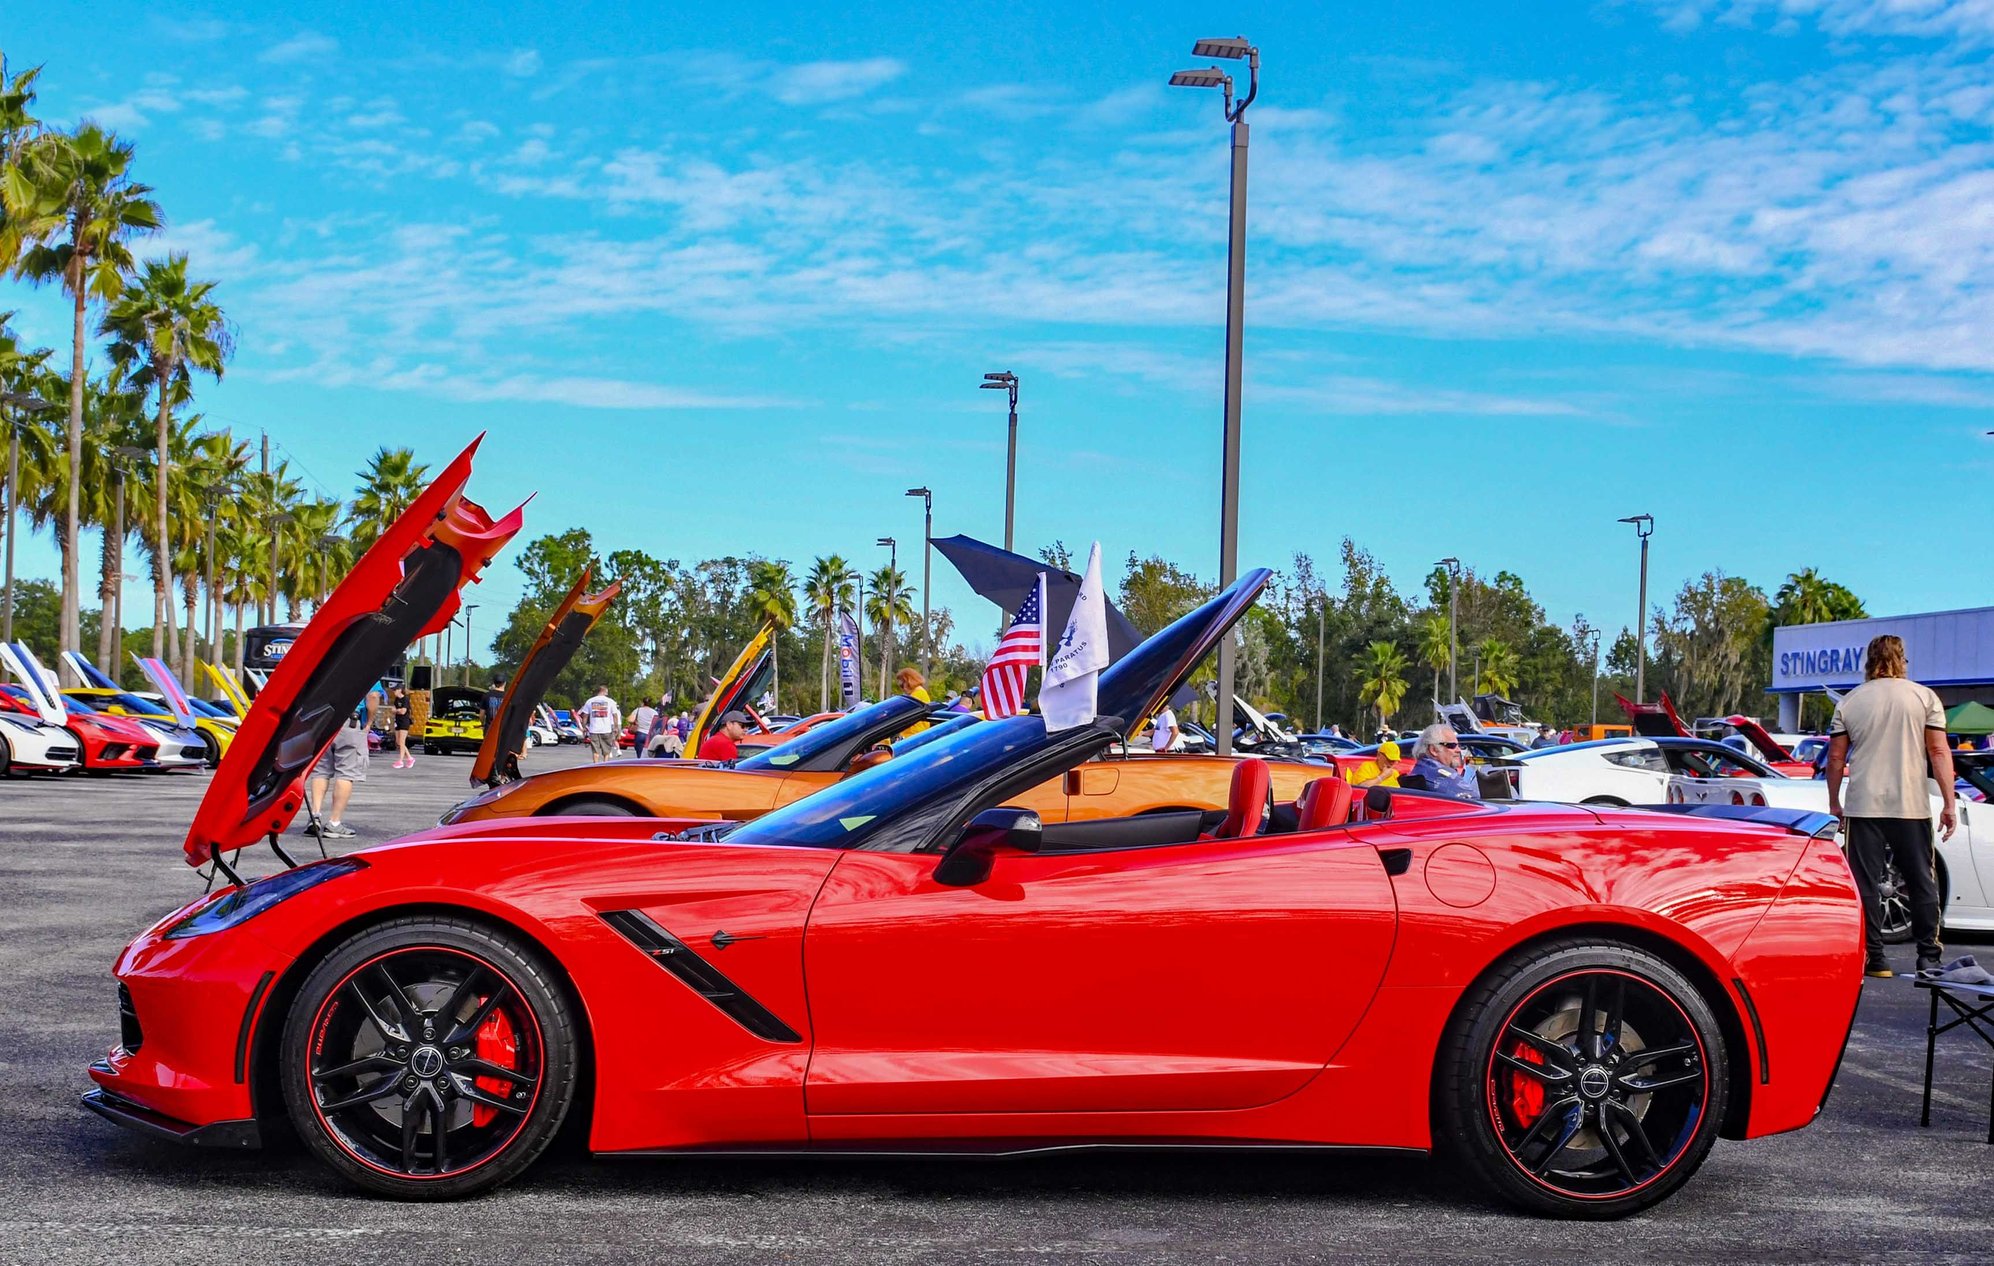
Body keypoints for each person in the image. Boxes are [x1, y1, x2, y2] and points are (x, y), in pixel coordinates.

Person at [1825, 634, 1955, 979]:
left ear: (1869, 661)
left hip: (1863, 804)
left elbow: (1836, 758)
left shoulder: (1850, 702)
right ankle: (1928, 957)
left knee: (1865, 883)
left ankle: (1875, 958)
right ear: (1902, 659)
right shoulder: (1924, 697)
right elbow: (1938, 752)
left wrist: (1834, 802)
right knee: (1921, 880)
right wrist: (1949, 802)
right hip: (1910, 804)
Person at [304, 703, 370, 839]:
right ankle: (334, 823)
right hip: (349, 721)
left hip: (322, 719)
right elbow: (373, 696)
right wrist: (369, 722)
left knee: (320, 770)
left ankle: (315, 815)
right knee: (346, 773)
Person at [1409, 723, 1482, 800]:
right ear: (1434, 750)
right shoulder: (1444, 777)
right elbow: (1476, 801)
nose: (1458, 750)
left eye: (1459, 745)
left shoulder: (1419, 770)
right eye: (1452, 745)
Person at [581, 684, 621, 764]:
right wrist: (616, 727)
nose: (607, 694)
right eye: (607, 692)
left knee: (595, 751)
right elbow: (615, 715)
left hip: (594, 729)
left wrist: (584, 726)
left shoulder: (590, 701)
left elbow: (585, 715)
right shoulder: (610, 701)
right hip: (606, 730)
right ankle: (605, 764)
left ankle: (595, 765)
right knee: (606, 750)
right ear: (604, 691)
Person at [388, 684, 414, 768]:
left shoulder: (405, 699)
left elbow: (403, 711)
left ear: (400, 690)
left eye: (395, 690)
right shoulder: (396, 699)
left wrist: (396, 710)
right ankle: (410, 758)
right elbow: (393, 710)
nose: (394, 692)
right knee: (398, 742)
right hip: (398, 722)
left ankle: (400, 761)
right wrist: (397, 710)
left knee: (402, 742)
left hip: (404, 722)